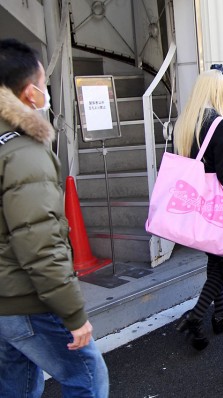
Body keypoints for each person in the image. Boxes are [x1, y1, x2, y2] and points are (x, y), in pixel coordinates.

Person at [0, 38, 109, 397]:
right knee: (88, 379)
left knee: (15, 385)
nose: (46, 91)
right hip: (27, 299)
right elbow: (40, 243)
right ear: (30, 93)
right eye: (44, 83)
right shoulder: (23, 152)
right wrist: (74, 314)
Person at [174, 69, 223, 351]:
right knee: (221, 265)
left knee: (215, 259)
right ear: (219, 94)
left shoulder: (186, 122)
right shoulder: (220, 125)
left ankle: (221, 313)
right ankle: (196, 316)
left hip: (194, 204)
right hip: (216, 206)